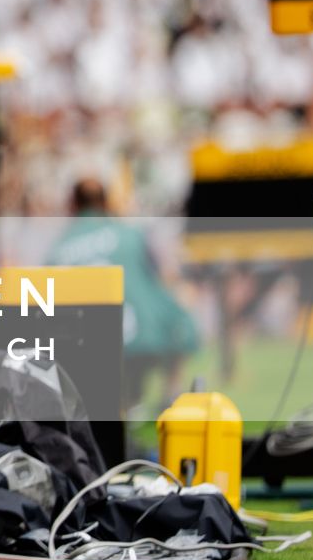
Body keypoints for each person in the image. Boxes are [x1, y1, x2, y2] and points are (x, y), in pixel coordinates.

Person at [44, 177, 199, 420]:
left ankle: (129, 406)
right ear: (106, 202)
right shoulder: (130, 233)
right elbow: (162, 276)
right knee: (180, 316)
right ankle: (170, 396)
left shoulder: (57, 249)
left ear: (72, 204)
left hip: (89, 349)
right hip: (145, 337)